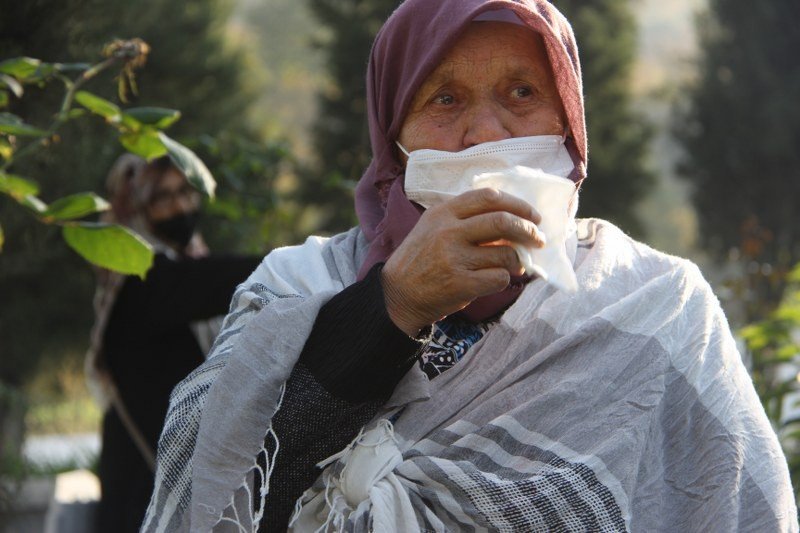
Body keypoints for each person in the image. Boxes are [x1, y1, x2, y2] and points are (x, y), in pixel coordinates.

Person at [144, 1, 797, 531]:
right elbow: (212, 491)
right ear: (393, 140)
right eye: (445, 100)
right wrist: (390, 305)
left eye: (521, 92)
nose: (486, 133)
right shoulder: (294, 288)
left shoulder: (654, 309)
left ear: (570, 125)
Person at [85, 154, 261, 533]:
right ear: (135, 209)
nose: (180, 207)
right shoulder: (138, 281)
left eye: (184, 192)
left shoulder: (184, 263)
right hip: (141, 480)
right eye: (162, 198)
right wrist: (294, 265)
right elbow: (207, 284)